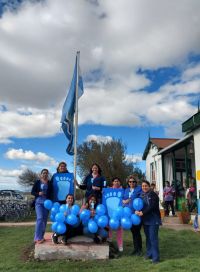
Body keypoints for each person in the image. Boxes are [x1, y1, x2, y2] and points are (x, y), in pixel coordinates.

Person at [136, 180, 161, 264]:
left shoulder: (153, 195)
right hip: (146, 220)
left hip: (154, 220)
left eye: (146, 186)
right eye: (143, 186)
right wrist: (137, 211)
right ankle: (149, 254)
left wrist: (142, 212)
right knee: (148, 239)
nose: (144, 187)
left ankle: (156, 258)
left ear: (149, 186)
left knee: (153, 239)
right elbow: (140, 205)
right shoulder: (142, 195)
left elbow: (152, 207)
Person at [123, 175, 142, 256]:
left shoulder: (139, 189)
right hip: (129, 214)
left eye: (133, 181)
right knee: (133, 232)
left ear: (136, 182)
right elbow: (123, 199)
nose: (132, 183)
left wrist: (131, 200)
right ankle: (135, 249)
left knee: (137, 232)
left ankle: (139, 250)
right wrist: (124, 201)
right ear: (128, 182)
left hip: (136, 214)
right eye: (130, 181)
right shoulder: (126, 190)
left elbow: (141, 198)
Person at [31, 168, 51, 244]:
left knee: (44, 220)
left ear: (47, 174)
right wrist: (38, 193)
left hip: (47, 203)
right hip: (38, 202)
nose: (45, 174)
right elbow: (32, 192)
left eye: (46, 173)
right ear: (41, 174)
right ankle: (37, 237)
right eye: (44, 173)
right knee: (40, 218)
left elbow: (51, 192)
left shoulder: (49, 183)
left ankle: (42, 236)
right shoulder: (37, 182)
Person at [108, 177, 123, 252]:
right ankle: (109, 243)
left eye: (117, 181)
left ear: (119, 182)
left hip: (119, 212)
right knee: (109, 228)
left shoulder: (122, 190)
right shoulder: (108, 190)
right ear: (112, 182)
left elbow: (124, 199)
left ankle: (120, 245)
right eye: (115, 181)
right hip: (110, 212)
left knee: (119, 229)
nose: (116, 182)